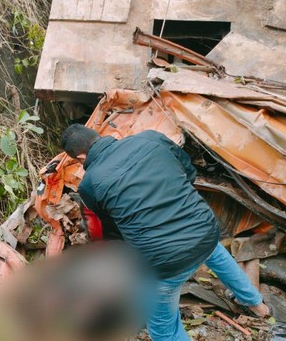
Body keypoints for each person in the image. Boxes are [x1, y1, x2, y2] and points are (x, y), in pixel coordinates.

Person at [60, 124, 271, 341]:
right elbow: (188, 171)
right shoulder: (151, 138)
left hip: (165, 263)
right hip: (204, 229)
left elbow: (112, 234)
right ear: (99, 136)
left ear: (81, 157)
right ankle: (257, 305)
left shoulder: (90, 184)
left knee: (163, 331)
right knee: (213, 251)